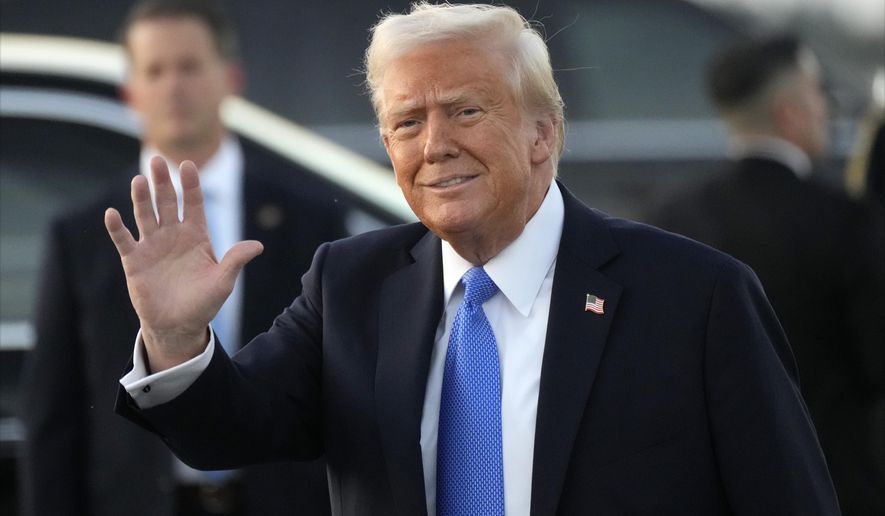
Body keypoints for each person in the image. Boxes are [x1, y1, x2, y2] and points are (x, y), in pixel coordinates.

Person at [107, 4, 839, 515]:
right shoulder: (351, 286)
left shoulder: (695, 297)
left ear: (542, 133)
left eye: (465, 110)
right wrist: (176, 338)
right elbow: (225, 433)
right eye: (406, 122)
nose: (434, 146)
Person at [19, 1, 343, 515]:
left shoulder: (310, 216)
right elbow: (53, 411)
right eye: (155, 70)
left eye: (190, 66)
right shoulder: (83, 232)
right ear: (130, 92)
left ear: (230, 77)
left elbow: (334, 389)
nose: (173, 86)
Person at [647, 35, 885, 515]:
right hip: (834, 487)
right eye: (818, 91)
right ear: (790, 112)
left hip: (708, 491)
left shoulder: (671, 218)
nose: (826, 107)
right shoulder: (845, 221)